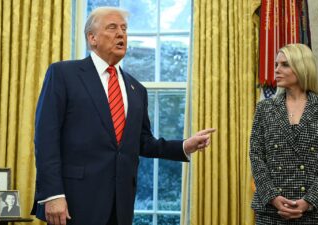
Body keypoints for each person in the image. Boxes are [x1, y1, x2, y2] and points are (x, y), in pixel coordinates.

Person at [31, 6, 215, 225]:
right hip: (73, 202)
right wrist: (52, 195)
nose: (121, 34)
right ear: (92, 38)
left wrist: (185, 145)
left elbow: (143, 143)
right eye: (112, 27)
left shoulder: (136, 89)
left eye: (124, 29)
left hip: (120, 205)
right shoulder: (63, 74)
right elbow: (46, 138)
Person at [250, 43, 318, 224]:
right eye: (276, 64)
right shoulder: (264, 108)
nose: (277, 70)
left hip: (314, 212)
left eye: (285, 64)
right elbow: (256, 157)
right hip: (271, 213)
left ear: (302, 67)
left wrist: (309, 201)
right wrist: (273, 197)